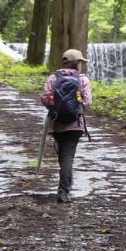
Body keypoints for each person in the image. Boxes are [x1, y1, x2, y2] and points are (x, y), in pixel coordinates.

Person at [40, 49, 93, 203]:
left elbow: (44, 98)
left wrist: (56, 108)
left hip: (56, 123)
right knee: (68, 157)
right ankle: (64, 190)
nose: (81, 65)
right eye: (80, 62)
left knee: (63, 155)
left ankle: (65, 183)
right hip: (75, 123)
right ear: (76, 63)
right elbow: (88, 102)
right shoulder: (83, 79)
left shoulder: (53, 78)